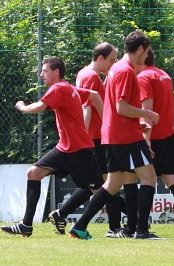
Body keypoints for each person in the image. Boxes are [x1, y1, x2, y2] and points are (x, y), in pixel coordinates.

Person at [68, 30, 161, 240]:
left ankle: (79, 226)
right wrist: (147, 114)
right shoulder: (125, 70)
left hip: (111, 134)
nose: (147, 56)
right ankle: (142, 231)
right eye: (147, 51)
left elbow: (116, 106)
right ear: (140, 49)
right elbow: (121, 107)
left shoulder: (116, 68)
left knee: (112, 184)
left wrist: (138, 120)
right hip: (125, 136)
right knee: (149, 177)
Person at [1, 57, 103, 237]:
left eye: (45, 70)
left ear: (56, 72)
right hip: (65, 148)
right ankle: (26, 225)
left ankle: (135, 221)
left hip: (79, 149)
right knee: (33, 173)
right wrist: (106, 120)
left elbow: (39, 107)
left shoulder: (59, 88)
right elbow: (94, 95)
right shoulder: (66, 88)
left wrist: (22, 107)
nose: (41, 74)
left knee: (102, 191)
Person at [48, 42, 128, 237]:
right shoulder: (91, 76)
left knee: (97, 184)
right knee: (107, 184)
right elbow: (86, 107)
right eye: (111, 60)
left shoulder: (85, 73)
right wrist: (84, 137)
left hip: (95, 136)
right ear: (100, 58)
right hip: (97, 137)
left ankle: (62, 213)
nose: (113, 64)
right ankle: (116, 226)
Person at [138, 48, 174, 238]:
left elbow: (147, 109)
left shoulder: (144, 77)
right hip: (168, 134)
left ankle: (141, 228)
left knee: (146, 180)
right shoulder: (164, 75)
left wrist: (146, 139)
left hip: (154, 136)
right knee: (172, 180)